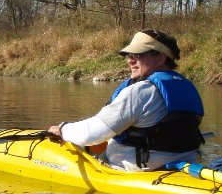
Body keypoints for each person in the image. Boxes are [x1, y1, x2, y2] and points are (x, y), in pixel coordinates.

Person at [48, 29, 205, 171]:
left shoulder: (142, 92)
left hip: (137, 172)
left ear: (160, 58)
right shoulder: (186, 86)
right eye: (129, 55)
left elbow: (91, 134)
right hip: (184, 165)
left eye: (138, 55)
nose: (130, 60)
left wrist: (63, 129)